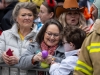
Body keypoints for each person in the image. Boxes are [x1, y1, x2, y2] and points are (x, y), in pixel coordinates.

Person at [0, 2, 38, 75]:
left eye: (30, 15)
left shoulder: (39, 36)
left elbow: (42, 60)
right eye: (23, 15)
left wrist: (19, 60)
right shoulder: (5, 34)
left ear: (34, 17)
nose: (27, 18)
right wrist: (2, 56)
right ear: (16, 18)